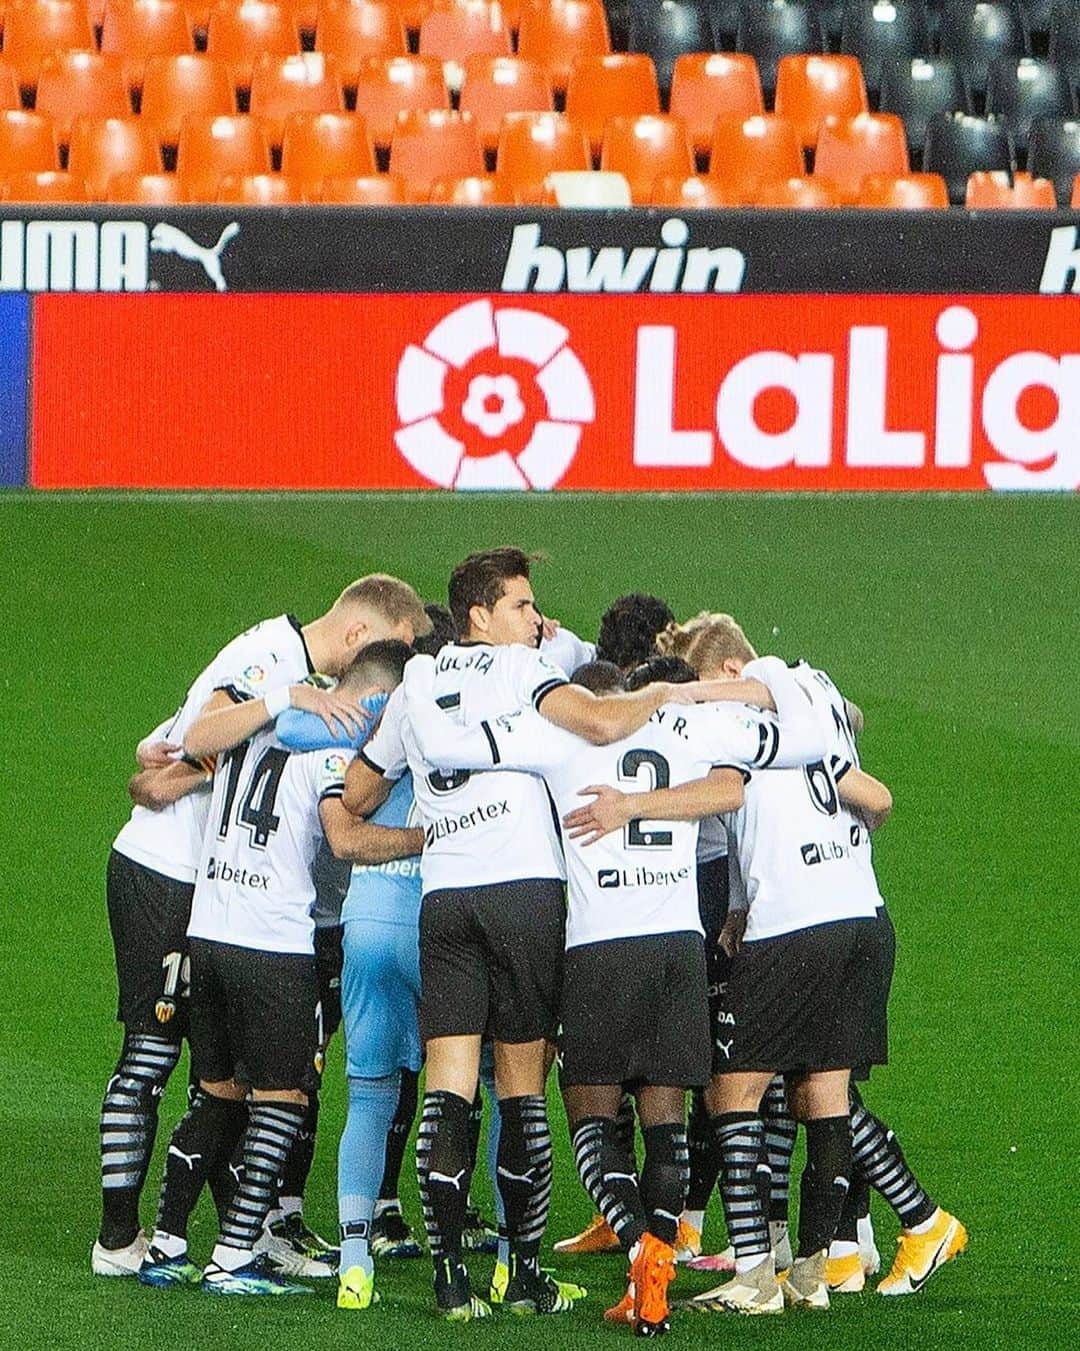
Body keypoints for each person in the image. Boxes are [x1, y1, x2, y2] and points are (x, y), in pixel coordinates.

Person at [403, 650, 830, 1333]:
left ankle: (642, 1248)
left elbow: (454, 747)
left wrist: (424, 685)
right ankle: (648, 1285)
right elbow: (746, 780)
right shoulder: (686, 730)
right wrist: (770, 686)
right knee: (665, 1123)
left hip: (599, 950)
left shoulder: (557, 735)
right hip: (675, 947)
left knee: (589, 1119)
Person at [344, 548, 701, 1320]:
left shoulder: (415, 683)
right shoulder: (517, 672)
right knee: (520, 1089)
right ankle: (525, 1271)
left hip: (445, 897)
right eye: (522, 606)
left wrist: (422, 828)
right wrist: (667, 690)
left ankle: (448, 1280)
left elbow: (357, 793)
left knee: (446, 1084)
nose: (536, 620)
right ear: (480, 615)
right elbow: (604, 719)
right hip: (523, 895)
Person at [137, 641, 412, 1294]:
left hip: (209, 933)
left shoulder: (251, 726)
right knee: (283, 1099)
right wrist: (433, 838)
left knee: (218, 1093)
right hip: (274, 946)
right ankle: (234, 1255)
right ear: (375, 700)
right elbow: (345, 839)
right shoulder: (334, 753)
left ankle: (168, 1242)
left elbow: (173, 771)